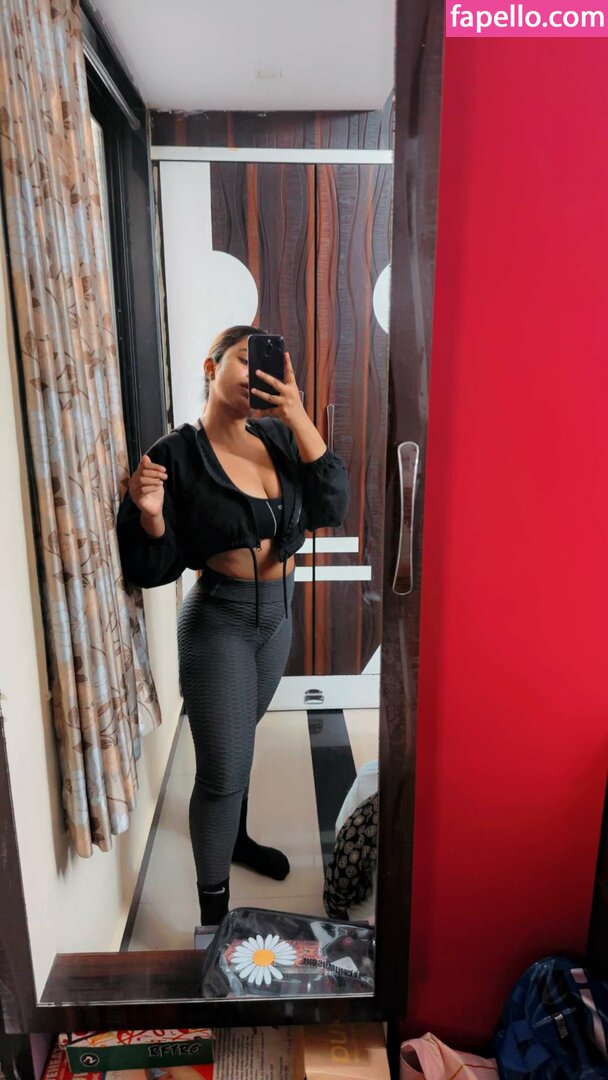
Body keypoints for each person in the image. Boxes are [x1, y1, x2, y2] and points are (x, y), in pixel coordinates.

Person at [117, 325, 350, 925]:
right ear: (211, 367)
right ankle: (213, 919)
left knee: (240, 740)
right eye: (245, 361)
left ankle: (237, 840)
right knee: (222, 774)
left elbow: (332, 504)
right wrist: (151, 517)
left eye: (265, 364)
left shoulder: (277, 436)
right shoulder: (174, 455)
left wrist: (297, 414)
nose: (256, 374)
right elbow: (150, 568)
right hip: (219, 622)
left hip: (277, 618)